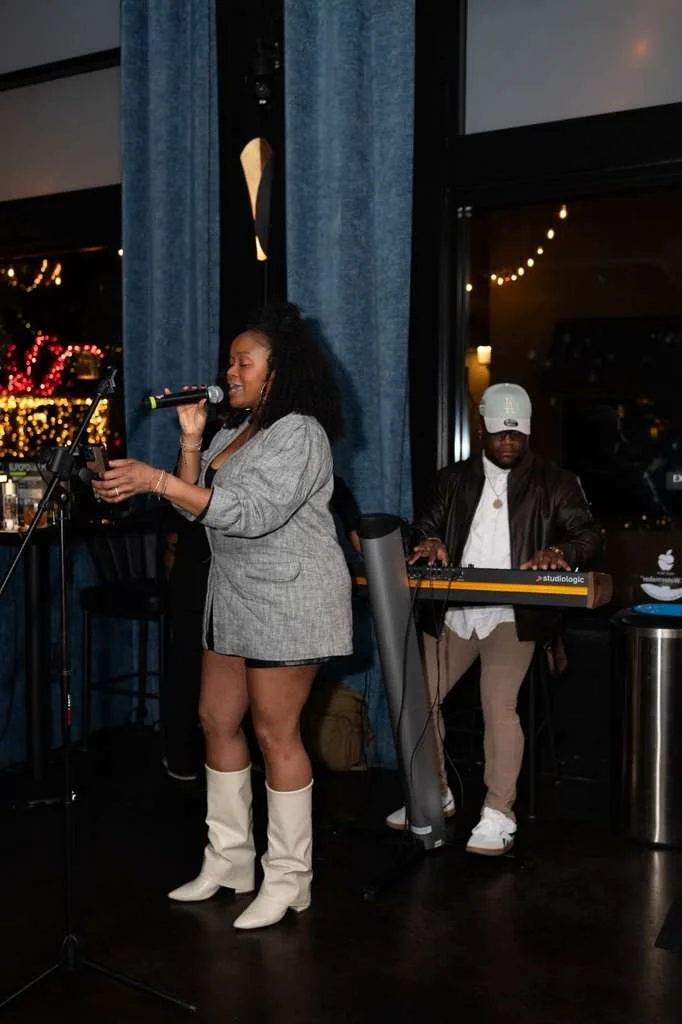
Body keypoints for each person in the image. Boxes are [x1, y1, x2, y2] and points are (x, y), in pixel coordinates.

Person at [92, 301, 353, 928]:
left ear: (278, 368)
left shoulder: (301, 432)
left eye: (244, 361)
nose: (229, 371)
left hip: (290, 598)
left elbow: (250, 513)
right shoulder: (235, 430)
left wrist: (158, 480)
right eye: (230, 360)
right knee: (215, 718)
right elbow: (196, 509)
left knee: (275, 733)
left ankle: (290, 878)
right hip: (233, 596)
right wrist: (188, 443)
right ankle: (229, 858)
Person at [385, 383, 602, 855]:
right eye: (500, 434)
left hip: (514, 615)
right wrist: (429, 542)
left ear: (528, 432)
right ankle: (433, 793)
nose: (508, 443)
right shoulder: (451, 480)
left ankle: (498, 813)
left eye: (517, 435)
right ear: (482, 428)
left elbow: (588, 535)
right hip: (455, 612)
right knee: (420, 698)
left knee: (497, 702)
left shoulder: (556, 482)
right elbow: (426, 526)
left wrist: (560, 551)